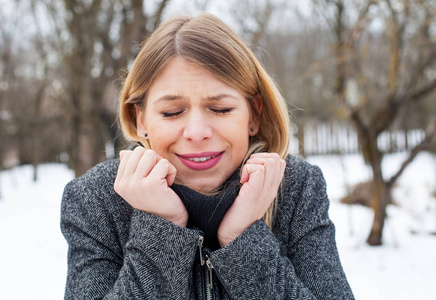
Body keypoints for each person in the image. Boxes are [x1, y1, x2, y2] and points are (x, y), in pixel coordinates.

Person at [61, 13, 354, 300]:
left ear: (254, 113)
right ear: (141, 120)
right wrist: (163, 229)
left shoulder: (297, 188)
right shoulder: (96, 199)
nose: (197, 133)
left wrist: (243, 239)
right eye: (172, 112)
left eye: (221, 109)